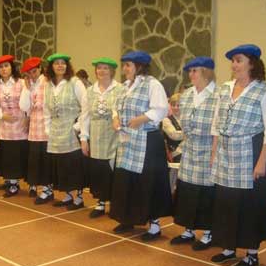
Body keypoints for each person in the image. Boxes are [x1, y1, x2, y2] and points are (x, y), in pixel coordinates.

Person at [210, 44, 266, 266]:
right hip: (225, 153)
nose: (234, 65)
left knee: (249, 204)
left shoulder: (264, 91)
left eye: (239, 60)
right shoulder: (224, 88)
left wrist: (261, 161)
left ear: (252, 63)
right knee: (226, 202)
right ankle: (229, 247)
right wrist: (214, 154)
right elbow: (216, 123)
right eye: (233, 61)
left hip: (251, 151)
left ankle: (251, 252)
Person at [110, 51, 172, 240]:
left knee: (148, 182)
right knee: (126, 180)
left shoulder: (153, 84)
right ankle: (127, 218)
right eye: (125, 65)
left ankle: (154, 225)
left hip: (147, 141)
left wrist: (141, 119)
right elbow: (115, 106)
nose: (124, 69)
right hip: (127, 141)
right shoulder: (124, 86)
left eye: (128, 65)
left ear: (139, 66)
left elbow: (161, 109)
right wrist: (115, 118)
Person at [171, 57, 218, 250]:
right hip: (190, 149)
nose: (191, 75)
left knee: (206, 193)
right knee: (188, 190)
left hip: (208, 149)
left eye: (195, 71)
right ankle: (188, 230)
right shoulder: (187, 94)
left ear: (206, 72)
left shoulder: (218, 94)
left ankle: (208, 232)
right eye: (189, 71)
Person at [80, 57, 125, 218]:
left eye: (105, 68)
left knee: (113, 169)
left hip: (115, 136)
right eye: (99, 68)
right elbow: (84, 116)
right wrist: (84, 138)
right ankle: (100, 202)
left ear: (112, 71)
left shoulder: (120, 89)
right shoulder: (90, 91)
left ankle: (115, 202)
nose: (102, 71)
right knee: (99, 170)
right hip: (96, 135)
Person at [44, 53, 88, 210]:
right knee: (61, 166)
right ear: (51, 67)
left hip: (71, 132)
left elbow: (86, 106)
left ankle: (79, 198)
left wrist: (77, 127)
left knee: (73, 165)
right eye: (56, 63)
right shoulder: (48, 85)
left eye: (63, 63)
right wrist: (48, 129)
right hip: (55, 133)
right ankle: (68, 195)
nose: (60, 66)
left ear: (67, 66)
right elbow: (46, 110)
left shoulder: (75, 83)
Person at [0, 55, 28, 197]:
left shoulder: (22, 83)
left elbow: (29, 101)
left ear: (12, 67)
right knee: (8, 156)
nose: (4, 69)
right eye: (1, 67)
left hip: (20, 126)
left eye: (6, 66)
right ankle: (12, 183)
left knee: (19, 155)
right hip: (5, 127)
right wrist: (1, 115)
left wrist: (27, 118)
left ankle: (21, 183)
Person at [19, 57, 54, 203]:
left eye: (34, 71)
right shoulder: (29, 86)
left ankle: (48, 190)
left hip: (46, 129)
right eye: (29, 73)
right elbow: (24, 107)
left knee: (46, 161)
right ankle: (42, 188)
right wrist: (27, 88)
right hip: (34, 130)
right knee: (36, 161)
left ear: (40, 69)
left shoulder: (48, 83)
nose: (33, 75)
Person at [162, 93, 184, 162]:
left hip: (189, 152)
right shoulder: (166, 120)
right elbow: (174, 135)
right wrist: (188, 133)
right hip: (176, 154)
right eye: (173, 105)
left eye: (178, 105)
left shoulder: (186, 118)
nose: (175, 107)